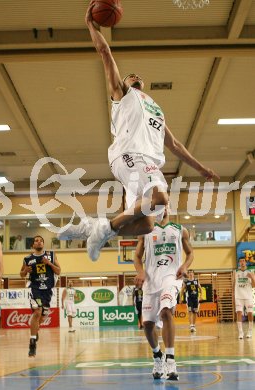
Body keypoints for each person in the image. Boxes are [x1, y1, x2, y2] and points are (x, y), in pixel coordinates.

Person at [58, 1, 219, 262]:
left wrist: (201, 168)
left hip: (144, 163)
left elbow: (175, 144)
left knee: (147, 226)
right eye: (129, 75)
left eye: (137, 75)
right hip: (132, 155)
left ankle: (91, 227)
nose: (134, 76)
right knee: (160, 198)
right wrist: (90, 24)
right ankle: (103, 229)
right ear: (125, 83)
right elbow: (105, 53)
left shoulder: (155, 109)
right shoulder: (122, 95)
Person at [134, 207, 193, 380]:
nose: (162, 208)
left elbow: (190, 253)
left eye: (165, 205)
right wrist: (140, 272)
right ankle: (157, 355)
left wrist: (185, 266)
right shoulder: (145, 231)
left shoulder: (180, 230)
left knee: (166, 311)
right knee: (148, 324)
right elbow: (137, 256)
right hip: (151, 280)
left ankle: (171, 360)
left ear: (169, 208)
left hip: (172, 277)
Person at [20, 235, 61, 357]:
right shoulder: (27, 259)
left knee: (42, 318)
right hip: (35, 288)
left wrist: (49, 263)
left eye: (41, 241)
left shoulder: (51, 255)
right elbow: (21, 274)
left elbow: (59, 271)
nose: (39, 242)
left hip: (47, 291)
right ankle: (32, 342)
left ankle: (35, 330)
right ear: (33, 245)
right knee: (37, 311)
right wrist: (25, 271)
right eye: (36, 241)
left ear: (43, 244)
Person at [233, 258, 255, 339]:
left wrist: (252, 278)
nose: (242, 262)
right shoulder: (236, 272)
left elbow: (254, 285)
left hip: (248, 296)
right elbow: (233, 284)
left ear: (246, 262)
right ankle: (241, 333)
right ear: (239, 263)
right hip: (238, 296)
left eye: (243, 261)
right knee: (239, 313)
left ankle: (249, 331)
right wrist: (233, 296)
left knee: (250, 313)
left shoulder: (250, 272)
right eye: (240, 261)